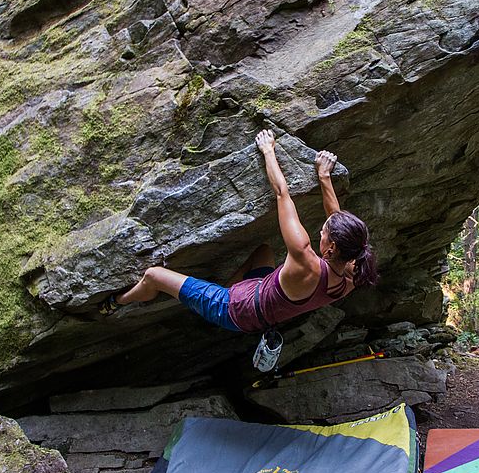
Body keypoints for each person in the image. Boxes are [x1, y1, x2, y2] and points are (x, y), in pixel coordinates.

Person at [98, 129, 377, 332]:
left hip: (233, 310)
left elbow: (282, 194)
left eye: (324, 233)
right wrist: (324, 176)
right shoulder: (352, 275)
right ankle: (227, 288)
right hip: (262, 312)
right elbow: (338, 220)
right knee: (264, 252)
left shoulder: (304, 257)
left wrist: (268, 150)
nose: (320, 231)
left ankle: (120, 301)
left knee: (153, 275)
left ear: (331, 249)